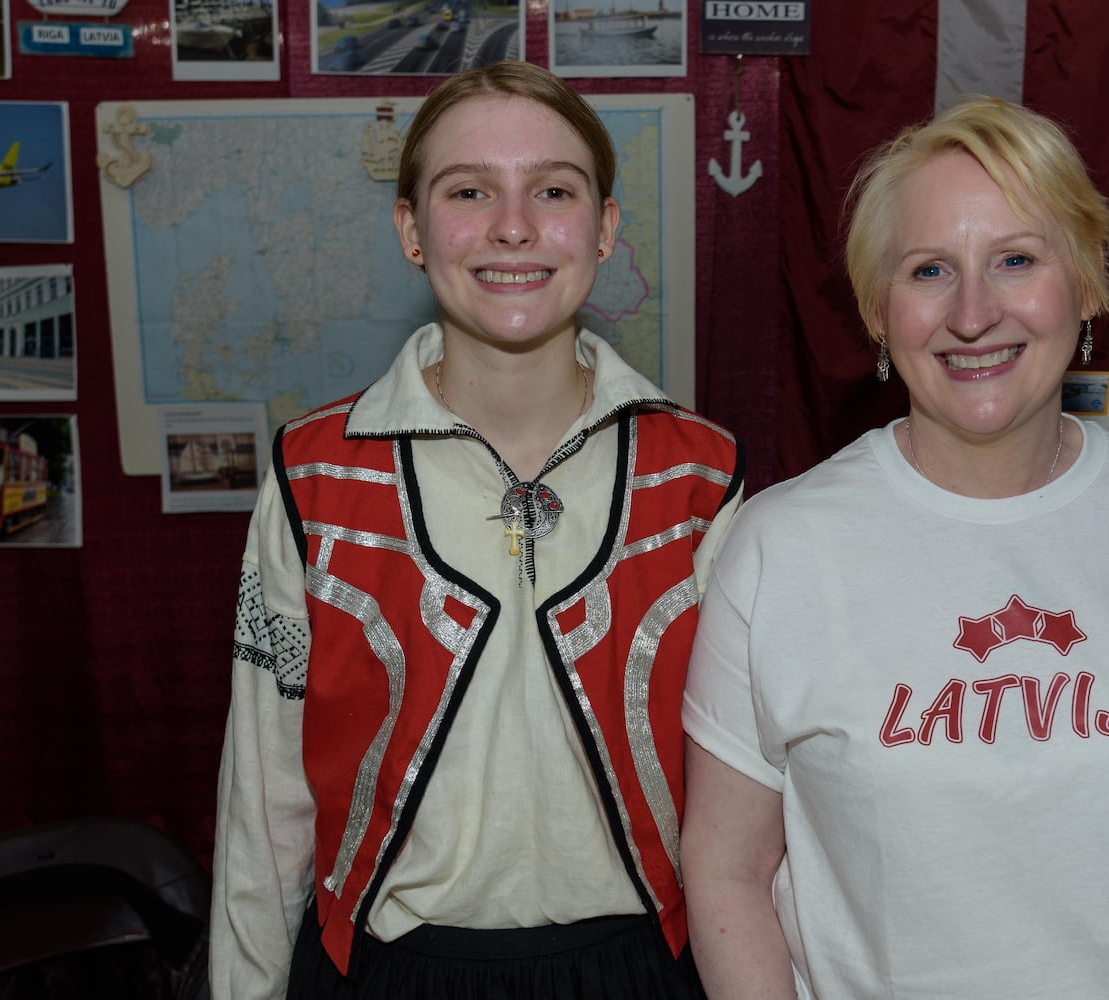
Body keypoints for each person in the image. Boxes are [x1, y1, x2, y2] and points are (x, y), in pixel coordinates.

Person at [681, 96, 1109, 1000]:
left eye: (1016, 260)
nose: (973, 313)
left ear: (1089, 283)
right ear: (876, 308)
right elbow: (726, 874)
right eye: (930, 269)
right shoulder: (781, 546)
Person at [211, 60, 743, 1000]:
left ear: (608, 226)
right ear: (412, 230)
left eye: (553, 189)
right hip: (386, 971)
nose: (513, 226)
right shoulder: (313, 477)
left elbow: (747, 810)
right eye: (468, 191)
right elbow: (265, 804)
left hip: (642, 968)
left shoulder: (703, 478)